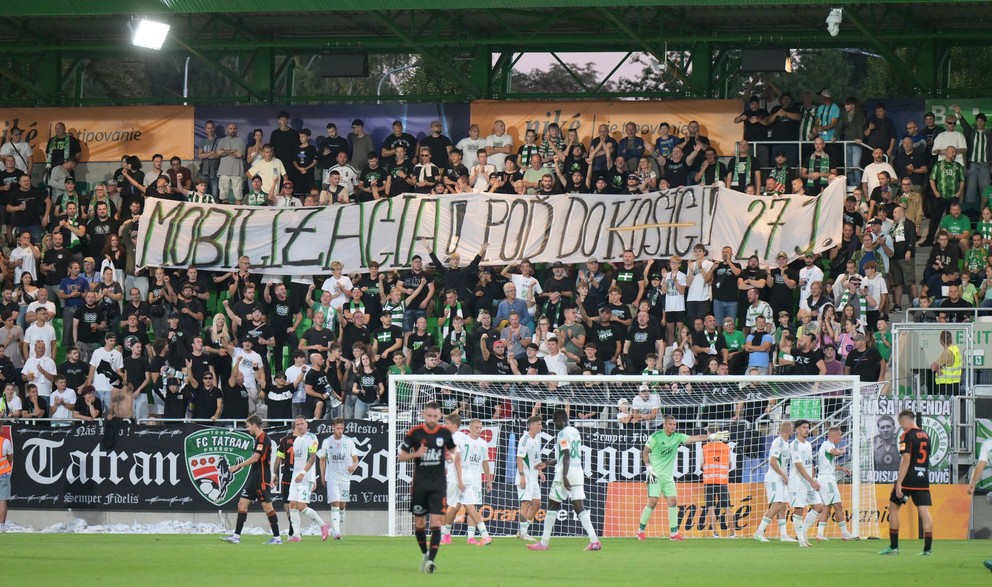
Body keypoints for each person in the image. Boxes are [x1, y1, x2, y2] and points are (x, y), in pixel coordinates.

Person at [636, 415, 729, 541]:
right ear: (665, 425)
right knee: (652, 502)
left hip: (668, 477)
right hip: (654, 474)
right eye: (670, 424)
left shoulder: (677, 437)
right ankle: (640, 530)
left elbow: (694, 438)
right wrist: (648, 467)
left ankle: (674, 533)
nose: (673, 427)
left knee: (673, 502)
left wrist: (710, 436)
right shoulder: (656, 436)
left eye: (674, 425)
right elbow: (646, 451)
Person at [528, 409, 601, 551]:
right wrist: (547, 463)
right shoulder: (575, 432)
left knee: (552, 505)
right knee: (579, 506)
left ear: (560, 421)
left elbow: (566, 455)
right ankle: (594, 541)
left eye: (555, 422)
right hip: (578, 471)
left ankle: (543, 543)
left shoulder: (562, 434)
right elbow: (565, 455)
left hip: (564, 473)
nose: (554, 425)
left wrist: (565, 476)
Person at [399, 401, 457, 574]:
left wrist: (449, 456)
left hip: (438, 485)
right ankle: (425, 554)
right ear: (424, 415)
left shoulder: (445, 433)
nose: (432, 419)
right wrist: (416, 454)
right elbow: (400, 456)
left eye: (435, 416)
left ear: (440, 416)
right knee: (419, 524)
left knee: (437, 522)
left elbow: (453, 451)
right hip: (420, 485)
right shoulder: (415, 432)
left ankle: (431, 560)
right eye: (429, 416)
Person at [880, 410, 934, 556]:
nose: (901, 427)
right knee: (924, 512)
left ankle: (894, 547)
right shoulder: (926, 435)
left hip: (908, 479)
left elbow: (906, 459)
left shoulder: (906, 435)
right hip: (922, 478)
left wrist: (899, 483)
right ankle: (927, 549)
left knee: (893, 508)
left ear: (904, 421)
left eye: (900, 424)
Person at [222, 415, 282, 545]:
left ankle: (277, 538)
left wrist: (237, 466)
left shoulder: (263, 439)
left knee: (267, 507)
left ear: (254, 425)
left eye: (248, 426)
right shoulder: (258, 439)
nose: (248, 429)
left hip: (261, 478)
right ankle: (236, 536)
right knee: (242, 505)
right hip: (254, 477)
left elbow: (256, 458)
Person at [285, 415, 329, 543]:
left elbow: (312, 458)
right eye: (297, 424)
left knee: (302, 506)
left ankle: (322, 525)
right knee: (292, 505)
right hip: (296, 477)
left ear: (307, 424)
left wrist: (303, 473)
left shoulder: (312, 438)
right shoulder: (297, 440)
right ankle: (297, 535)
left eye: (302, 424)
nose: (300, 426)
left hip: (306, 477)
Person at [318, 417, 359, 540]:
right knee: (335, 503)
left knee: (342, 505)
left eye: (342, 428)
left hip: (345, 478)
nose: (340, 431)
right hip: (332, 477)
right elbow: (322, 460)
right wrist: (322, 475)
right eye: (338, 428)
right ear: (333, 428)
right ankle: (336, 532)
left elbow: (356, 459)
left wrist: (354, 466)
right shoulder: (327, 442)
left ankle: (337, 526)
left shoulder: (349, 441)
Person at [754, 421, 795, 542]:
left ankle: (783, 535)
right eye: (792, 429)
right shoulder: (778, 442)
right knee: (776, 505)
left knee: (782, 506)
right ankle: (759, 532)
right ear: (789, 430)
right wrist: (783, 474)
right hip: (774, 477)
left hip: (780, 478)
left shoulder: (785, 443)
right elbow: (772, 461)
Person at [785, 419, 824, 547]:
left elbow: (810, 464)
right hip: (797, 482)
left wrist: (814, 479)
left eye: (808, 427)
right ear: (797, 430)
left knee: (819, 507)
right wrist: (811, 480)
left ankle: (803, 533)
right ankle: (801, 540)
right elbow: (799, 466)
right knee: (799, 509)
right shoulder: (795, 445)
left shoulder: (808, 444)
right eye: (803, 427)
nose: (807, 430)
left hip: (808, 482)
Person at [815, 426, 856, 540]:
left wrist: (842, 468)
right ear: (833, 435)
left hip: (825, 478)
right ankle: (845, 534)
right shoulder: (829, 444)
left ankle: (820, 534)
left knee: (827, 507)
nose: (841, 437)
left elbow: (830, 465)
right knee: (838, 506)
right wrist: (841, 451)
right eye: (840, 435)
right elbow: (834, 452)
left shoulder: (825, 445)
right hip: (827, 480)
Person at [458, 419, 494, 545]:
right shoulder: (463, 441)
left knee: (473, 508)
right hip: (463, 480)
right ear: (470, 428)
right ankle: (443, 533)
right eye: (477, 427)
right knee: (455, 507)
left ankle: (471, 537)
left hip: (476, 481)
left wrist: (489, 480)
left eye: (480, 428)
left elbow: (485, 462)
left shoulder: (483, 443)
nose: (479, 430)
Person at [701, 424, 736, 538]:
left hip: (709, 481)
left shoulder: (705, 448)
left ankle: (715, 534)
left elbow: (701, 465)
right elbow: (730, 464)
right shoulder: (726, 447)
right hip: (722, 481)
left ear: (709, 433)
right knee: (727, 507)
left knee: (711, 507)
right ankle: (732, 533)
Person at [515, 415, 544, 541]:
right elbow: (519, 458)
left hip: (533, 477)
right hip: (525, 476)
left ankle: (523, 529)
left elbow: (536, 460)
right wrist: (522, 477)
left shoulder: (536, 440)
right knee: (525, 503)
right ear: (531, 426)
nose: (540, 426)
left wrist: (540, 472)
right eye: (538, 424)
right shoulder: (524, 439)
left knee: (537, 504)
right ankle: (523, 533)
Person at [931, 329, 962, 395]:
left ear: (941, 341)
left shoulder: (947, 352)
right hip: (955, 384)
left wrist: (935, 367)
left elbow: (933, 367)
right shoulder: (955, 349)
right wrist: (938, 368)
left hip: (946, 386)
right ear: (951, 339)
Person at [0, 427, 10, 530]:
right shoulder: (5, 442)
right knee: (2, 500)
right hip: (3, 473)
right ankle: (1, 526)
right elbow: (10, 457)